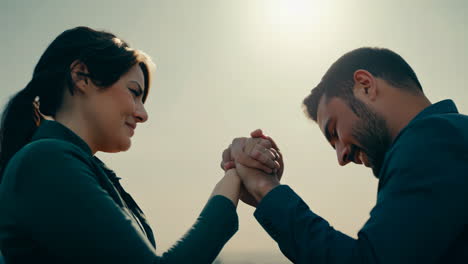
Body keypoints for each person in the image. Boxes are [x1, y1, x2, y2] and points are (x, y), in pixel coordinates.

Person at [0, 26, 280, 263]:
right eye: (134, 93)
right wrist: (234, 180)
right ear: (81, 76)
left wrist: (235, 174)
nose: (143, 114)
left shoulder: (70, 166)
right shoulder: (45, 161)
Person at [222, 47, 468, 263]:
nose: (341, 157)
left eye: (334, 131)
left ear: (365, 85)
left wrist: (265, 187)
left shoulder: (434, 139)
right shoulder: (452, 140)